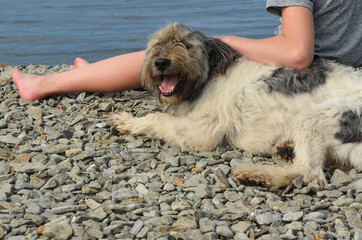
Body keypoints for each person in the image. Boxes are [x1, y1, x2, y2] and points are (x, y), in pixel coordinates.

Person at [12, 0, 362, 101]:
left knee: (181, 57)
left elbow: (298, 53)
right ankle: (89, 76)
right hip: (351, 71)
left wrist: (227, 41)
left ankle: (44, 85)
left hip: (309, 75)